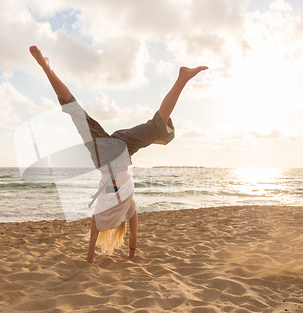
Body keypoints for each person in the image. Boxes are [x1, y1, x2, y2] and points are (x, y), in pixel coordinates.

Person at [30, 46, 207, 264]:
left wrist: (122, 255)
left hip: (116, 151)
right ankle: (182, 78)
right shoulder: (103, 215)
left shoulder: (124, 210)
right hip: (116, 150)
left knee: (154, 124)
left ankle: (46, 67)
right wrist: (96, 259)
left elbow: (129, 237)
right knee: (79, 112)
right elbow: (97, 241)